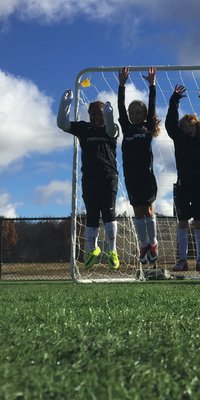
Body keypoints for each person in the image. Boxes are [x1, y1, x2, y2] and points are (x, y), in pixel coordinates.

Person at [57, 89, 121, 270]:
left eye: (99, 114)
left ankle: (112, 251)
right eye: (93, 114)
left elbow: (111, 130)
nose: (95, 117)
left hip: (108, 177)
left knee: (108, 213)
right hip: (89, 178)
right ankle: (93, 250)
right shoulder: (84, 128)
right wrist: (65, 104)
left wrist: (109, 115)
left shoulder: (111, 129)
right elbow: (62, 124)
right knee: (92, 214)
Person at [165, 84, 200, 272]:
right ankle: (182, 260)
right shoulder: (178, 138)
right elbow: (170, 124)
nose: (187, 129)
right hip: (182, 186)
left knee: (199, 222)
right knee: (182, 222)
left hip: (199, 186)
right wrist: (174, 100)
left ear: (197, 127)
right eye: (184, 126)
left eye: (191, 125)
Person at [117, 67, 160, 265]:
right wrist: (122, 85)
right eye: (131, 112)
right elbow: (120, 107)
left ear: (144, 115)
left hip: (146, 176)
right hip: (131, 176)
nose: (134, 114)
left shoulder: (147, 128)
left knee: (148, 210)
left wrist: (152, 85)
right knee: (138, 212)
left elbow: (152, 106)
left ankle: (153, 242)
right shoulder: (126, 128)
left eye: (138, 112)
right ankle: (143, 244)